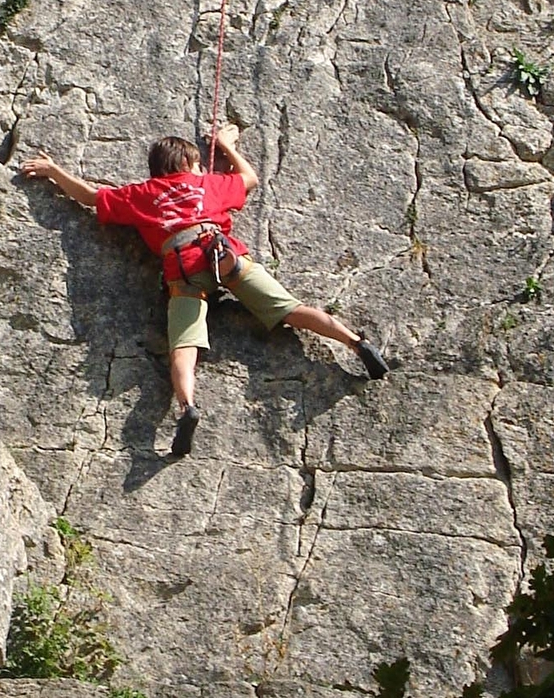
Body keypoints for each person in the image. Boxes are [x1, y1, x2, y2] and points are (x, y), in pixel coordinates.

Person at [20, 124, 388, 458]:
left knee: (184, 346)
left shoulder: (142, 195)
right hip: (225, 257)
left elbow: (90, 196)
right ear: (184, 162)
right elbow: (249, 179)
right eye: (196, 164)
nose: (199, 169)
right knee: (291, 309)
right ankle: (355, 342)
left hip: (184, 273)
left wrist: (54, 171)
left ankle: (188, 407)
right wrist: (226, 146)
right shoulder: (208, 184)